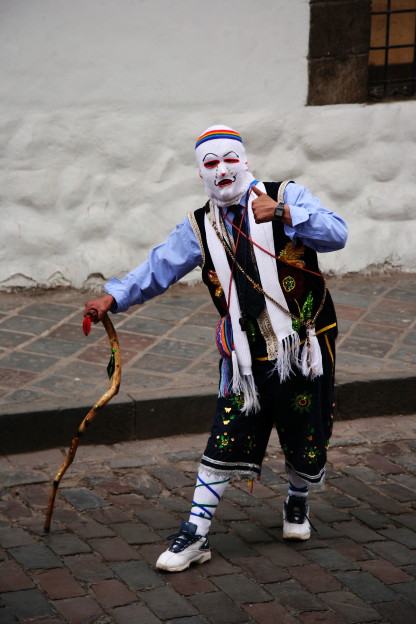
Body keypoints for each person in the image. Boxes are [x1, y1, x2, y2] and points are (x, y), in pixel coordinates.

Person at [84, 124, 348, 573]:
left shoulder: (286, 194)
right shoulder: (198, 226)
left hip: (302, 345)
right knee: (225, 435)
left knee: (306, 428)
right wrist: (114, 297)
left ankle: (297, 501)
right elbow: (159, 266)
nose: (222, 170)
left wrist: (284, 213)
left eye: (230, 159)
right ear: (200, 174)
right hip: (244, 355)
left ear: (245, 161)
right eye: (211, 163)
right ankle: (196, 532)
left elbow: (336, 234)